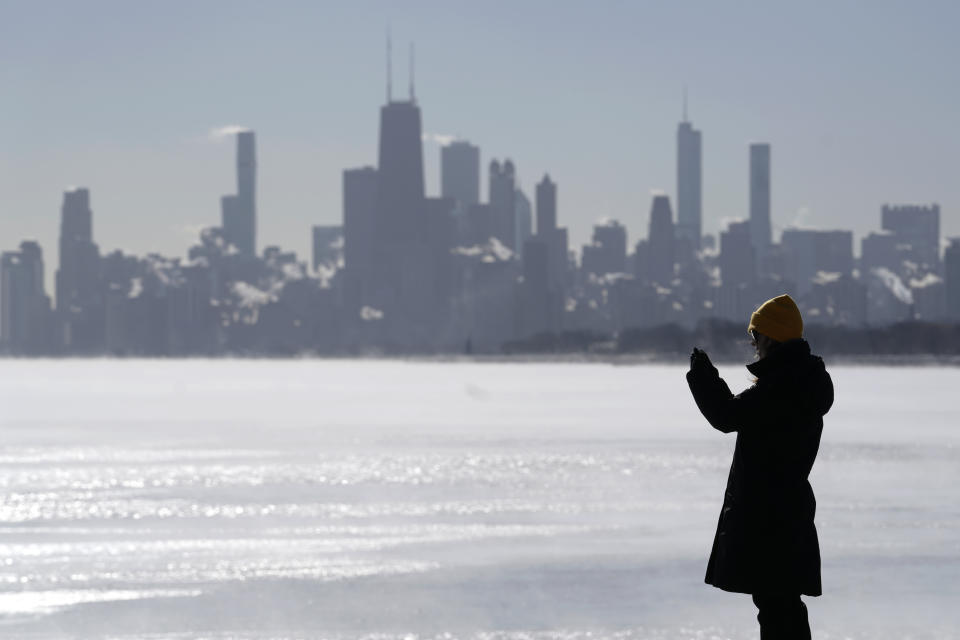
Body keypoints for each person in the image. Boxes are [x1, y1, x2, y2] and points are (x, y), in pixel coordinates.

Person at [686, 294, 834, 640]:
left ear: (770, 338)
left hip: (768, 518)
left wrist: (704, 377)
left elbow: (727, 415)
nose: (753, 344)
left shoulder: (781, 387)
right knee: (781, 604)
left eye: (755, 336)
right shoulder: (801, 381)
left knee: (776, 606)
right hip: (787, 513)